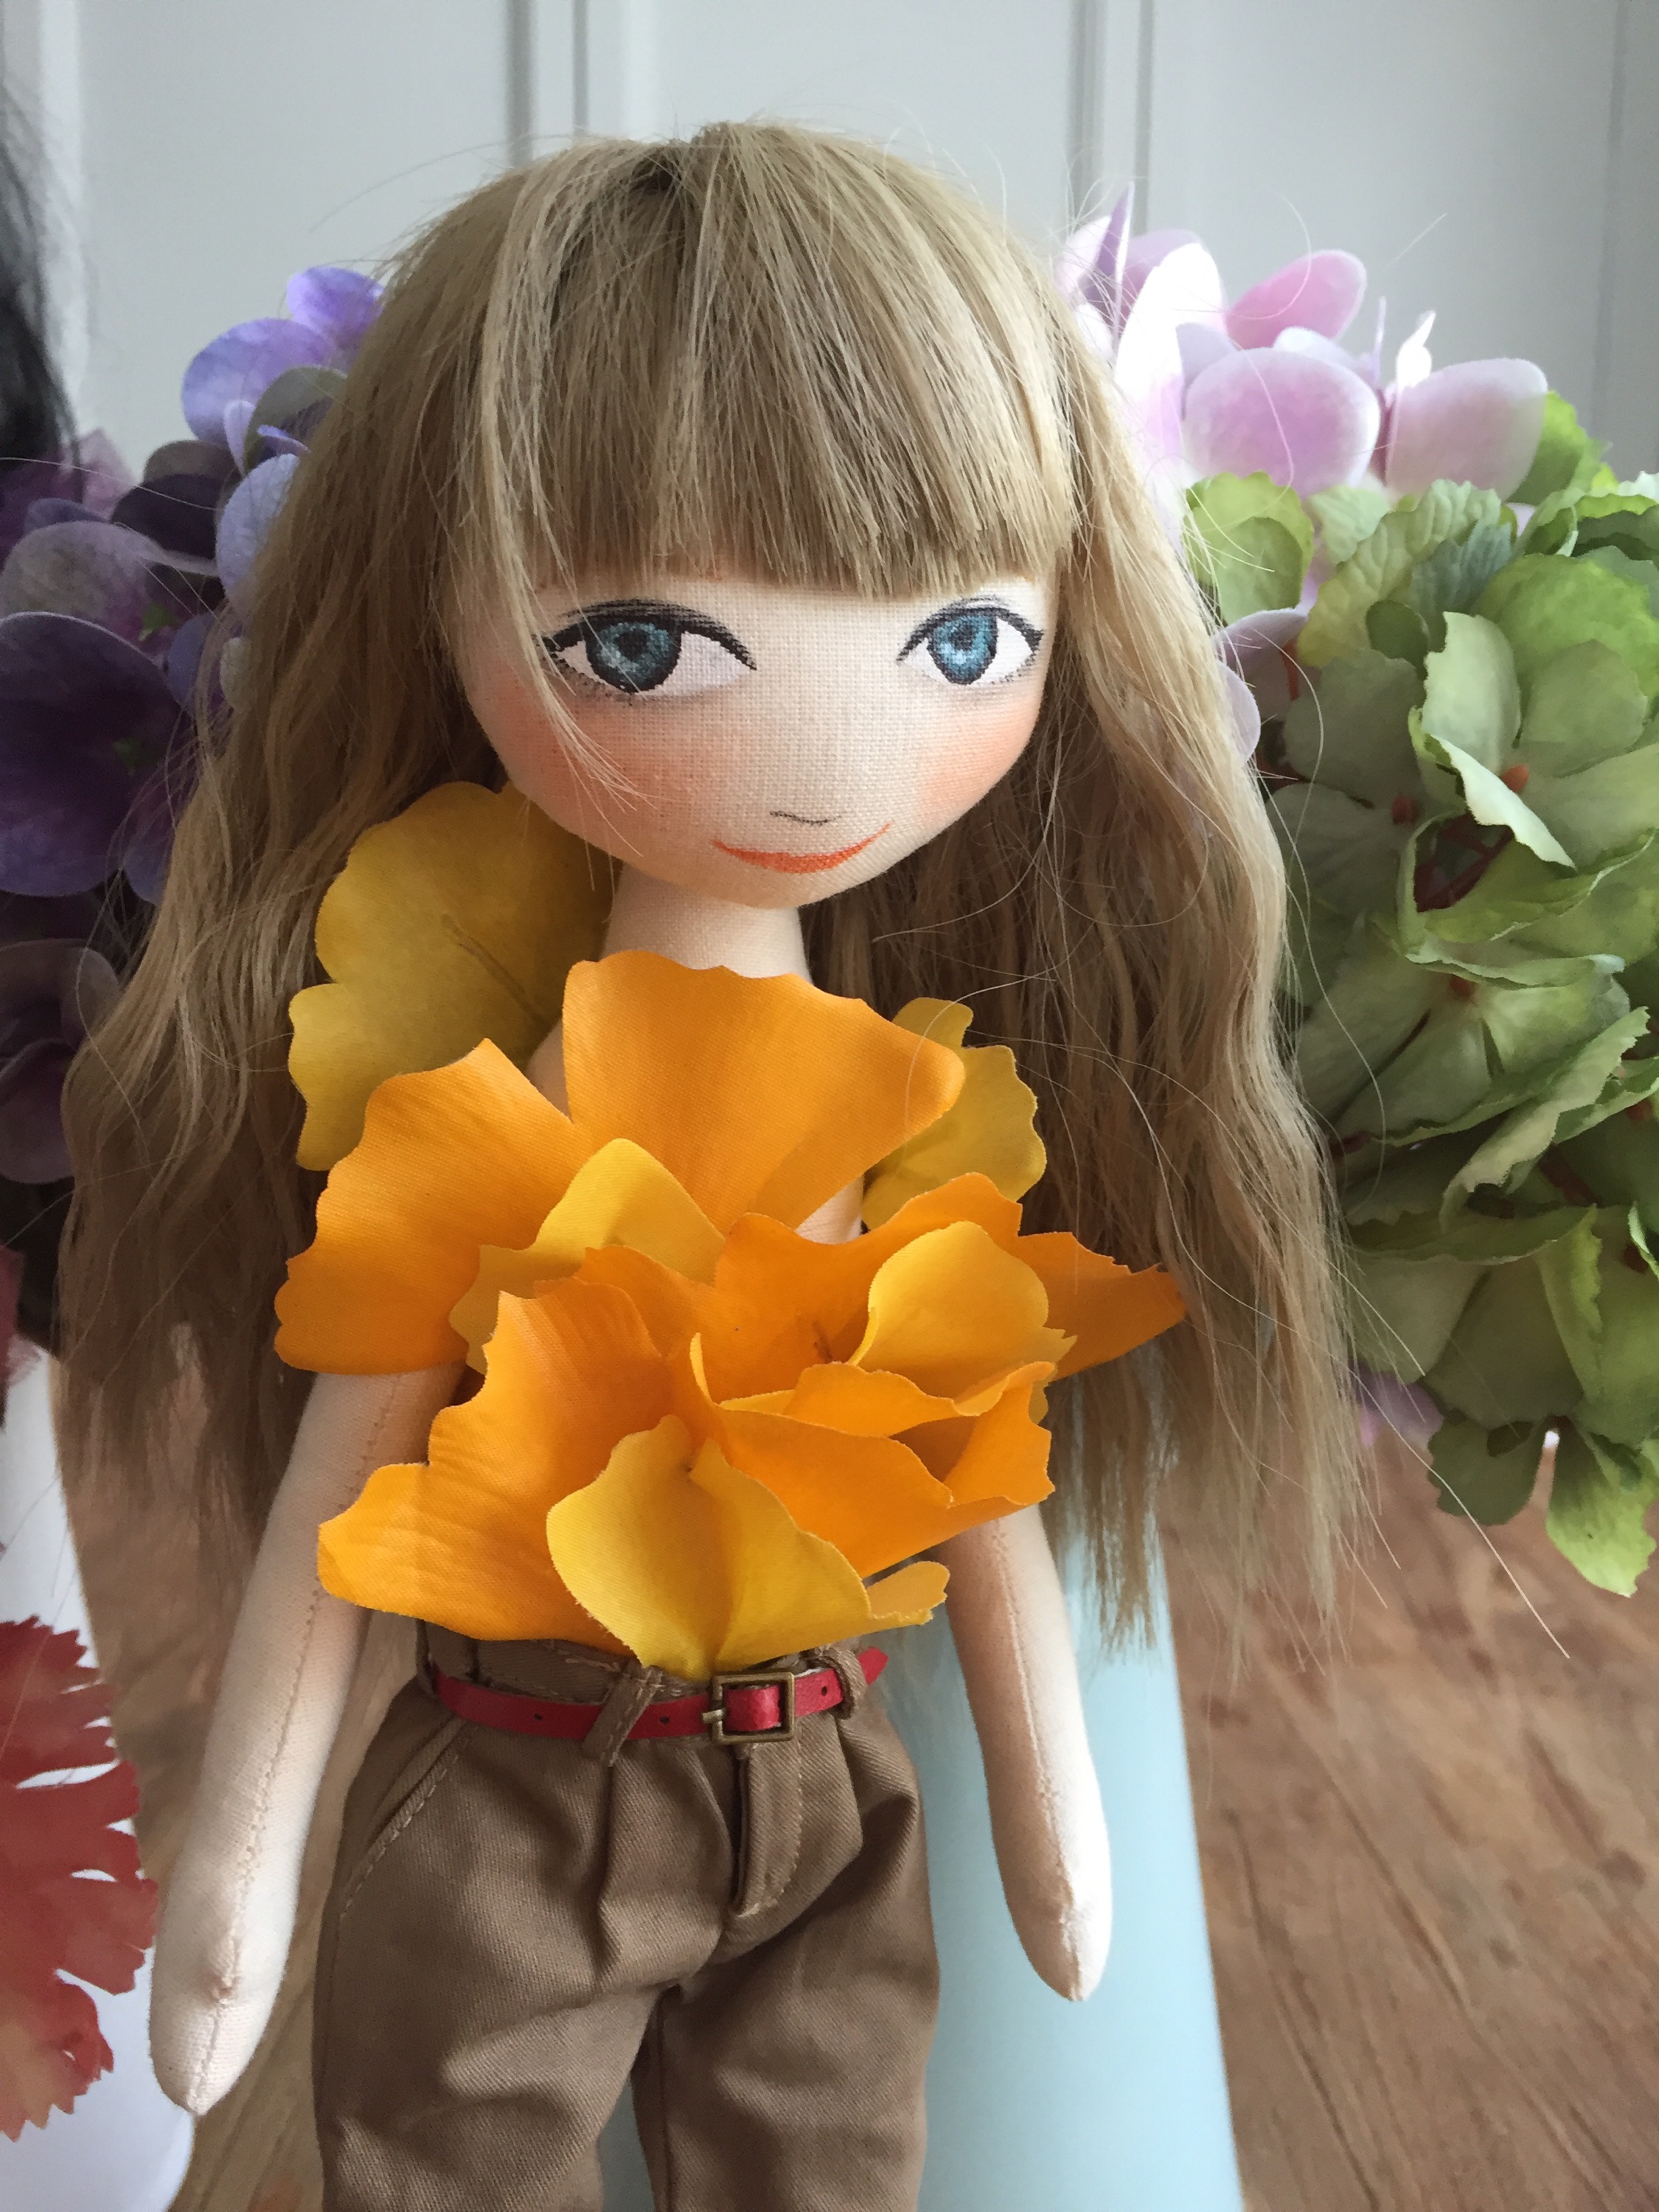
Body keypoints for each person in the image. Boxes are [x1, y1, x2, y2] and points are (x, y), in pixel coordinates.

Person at [60, 123, 1353, 2212]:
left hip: (829, 1786)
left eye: (959, 641)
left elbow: (983, 1496)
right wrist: (238, 1877)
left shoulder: (925, 1117)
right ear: (443, 609)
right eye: (644, 643)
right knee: (452, 2159)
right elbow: (337, 1502)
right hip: (512, 1779)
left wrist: (1049, 1826)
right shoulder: (483, 1124)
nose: (831, 761)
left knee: (827, 2162)